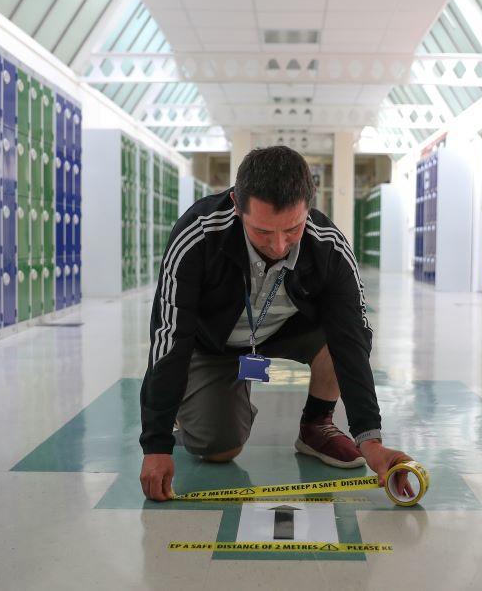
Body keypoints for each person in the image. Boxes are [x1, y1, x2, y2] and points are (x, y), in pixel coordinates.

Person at [139, 145, 414, 501]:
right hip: (214, 343)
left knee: (344, 336)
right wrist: (156, 444)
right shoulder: (198, 236)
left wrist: (371, 442)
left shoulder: (328, 246)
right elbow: (169, 337)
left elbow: (352, 340)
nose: (280, 245)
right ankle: (193, 404)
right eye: (263, 232)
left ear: (308, 207)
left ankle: (316, 425)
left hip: (288, 332)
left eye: (293, 228)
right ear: (237, 205)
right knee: (220, 449)